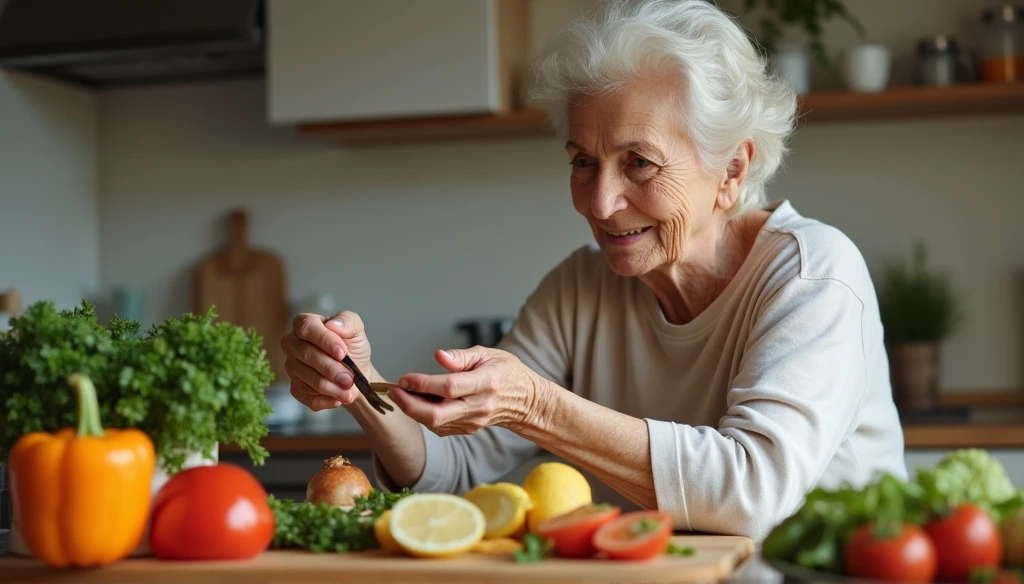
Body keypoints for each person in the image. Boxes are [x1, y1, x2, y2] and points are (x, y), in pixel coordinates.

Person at [280, 0, 907, 541]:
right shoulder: (581, 288)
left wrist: (534, 406)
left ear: (733, 170)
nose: (600, 203)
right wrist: (359, 384)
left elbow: (751, 492)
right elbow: (455, 468)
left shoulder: (811, 274)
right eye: (584, 161)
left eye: (639, 163)